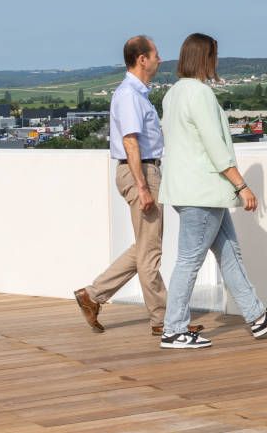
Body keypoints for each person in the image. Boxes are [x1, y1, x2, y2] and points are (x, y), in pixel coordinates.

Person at [157, 32, 267, 349]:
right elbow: (215, 147)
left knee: (229, 253)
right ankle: (174, 328)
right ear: (205, 58)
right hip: (202, 192)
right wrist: (242, 184)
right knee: (189, 261)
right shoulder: (200, 94)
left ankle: (257, 316)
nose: (216, 62)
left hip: (185, 190)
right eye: (214, 56)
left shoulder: (173, 94)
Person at [72, 35, 201, 336]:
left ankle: (92, 295)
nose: (159, 59)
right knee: (150, 252)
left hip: (143, 171)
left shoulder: (135, 93)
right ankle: (164, 319)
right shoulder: (130, 95)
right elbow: (131, 142)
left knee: (145, 246)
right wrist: (143, 187)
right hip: (141, 171)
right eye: (155, 54)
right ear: (142, 59)